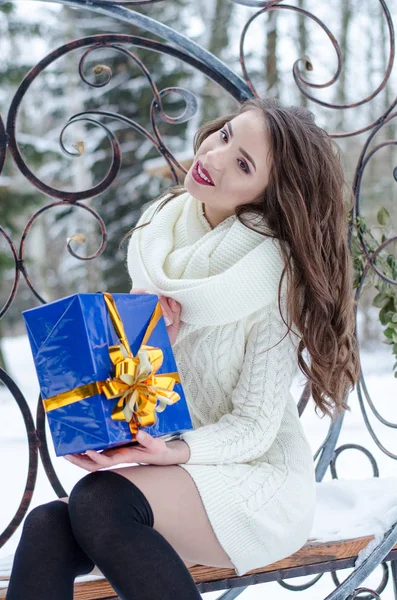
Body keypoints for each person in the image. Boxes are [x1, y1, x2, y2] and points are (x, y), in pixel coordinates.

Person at [6, 97, 360, 599]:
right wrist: (155, 357)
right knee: (47, 527)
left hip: (257, 481)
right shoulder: (161, 236)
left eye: (243, 163)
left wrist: (174, 452)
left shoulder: (276, 277)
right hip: (178, 474)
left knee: (101, 501)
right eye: (224, 136)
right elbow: (158, 392)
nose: (214, 157)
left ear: (270, 193)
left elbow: (255, 427)